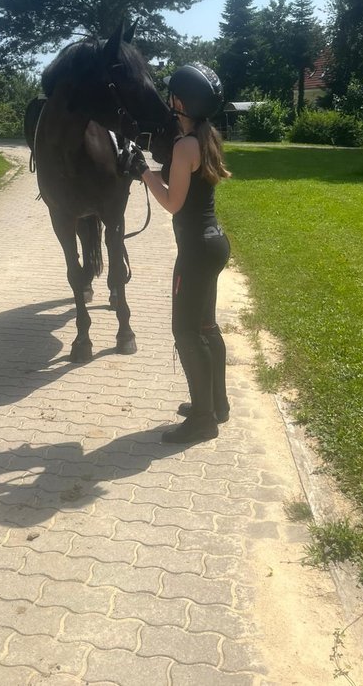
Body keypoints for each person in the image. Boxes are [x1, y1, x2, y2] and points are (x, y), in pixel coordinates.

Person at [123, 63, 232, 444]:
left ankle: (203, 420)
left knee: (184, 330)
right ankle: (216, 404)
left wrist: (144, 174)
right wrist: (152, 170)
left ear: (181, 101)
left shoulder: (186, 145)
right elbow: (184, 185)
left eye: (173, 96)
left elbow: (172, 202)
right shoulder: (205, 136)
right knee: (205, 326)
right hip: (213, 241)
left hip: (196, 250)